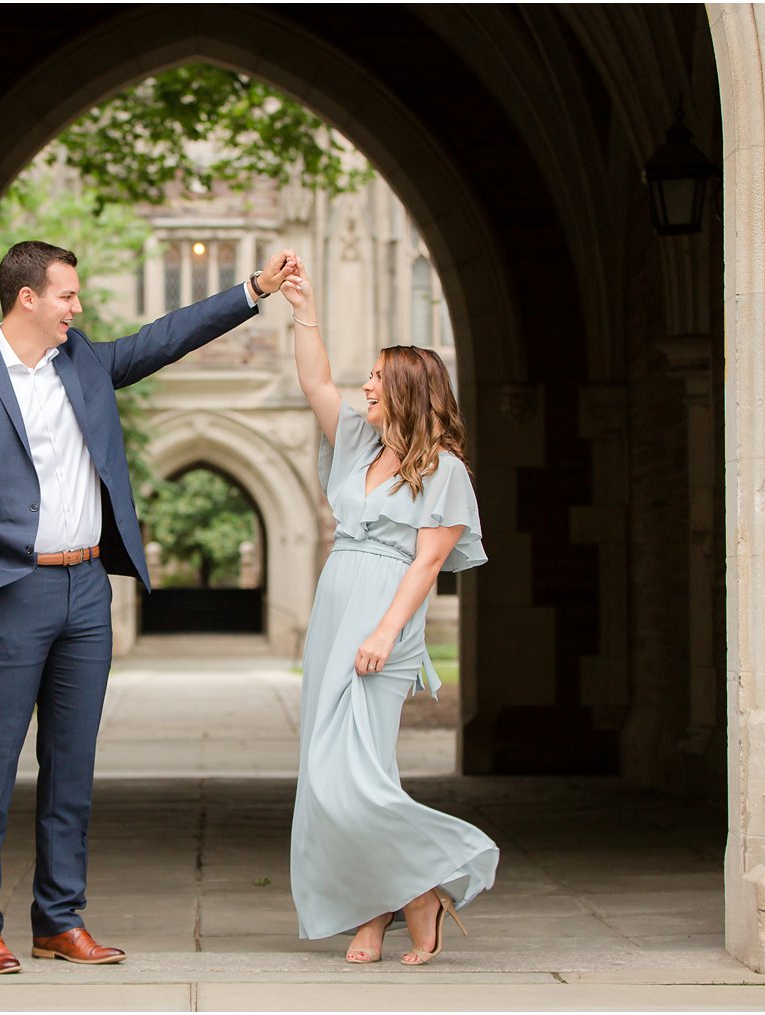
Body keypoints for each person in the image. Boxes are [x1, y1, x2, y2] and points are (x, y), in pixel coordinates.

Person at [0, 240, 294, 974]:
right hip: (11, 591)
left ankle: (60, 918)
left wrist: (253, 290)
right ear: (27, 297)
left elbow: (162, 338)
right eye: (67, 296)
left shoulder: (83, 361)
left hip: (87, 589)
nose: (77, 308)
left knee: (72, 767)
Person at [279, 255, 499, 965]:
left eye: (377, 377)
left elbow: (428, 563)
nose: (365, 385)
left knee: (358, 774)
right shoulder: (357, 446)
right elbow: (314, 379)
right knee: (323, 773)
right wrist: (302, 309)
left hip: (385, 620)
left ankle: (423, 885)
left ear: (407, 390)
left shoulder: (444, 470)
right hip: (336, 602)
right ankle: (377, 908)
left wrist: (384, 631)